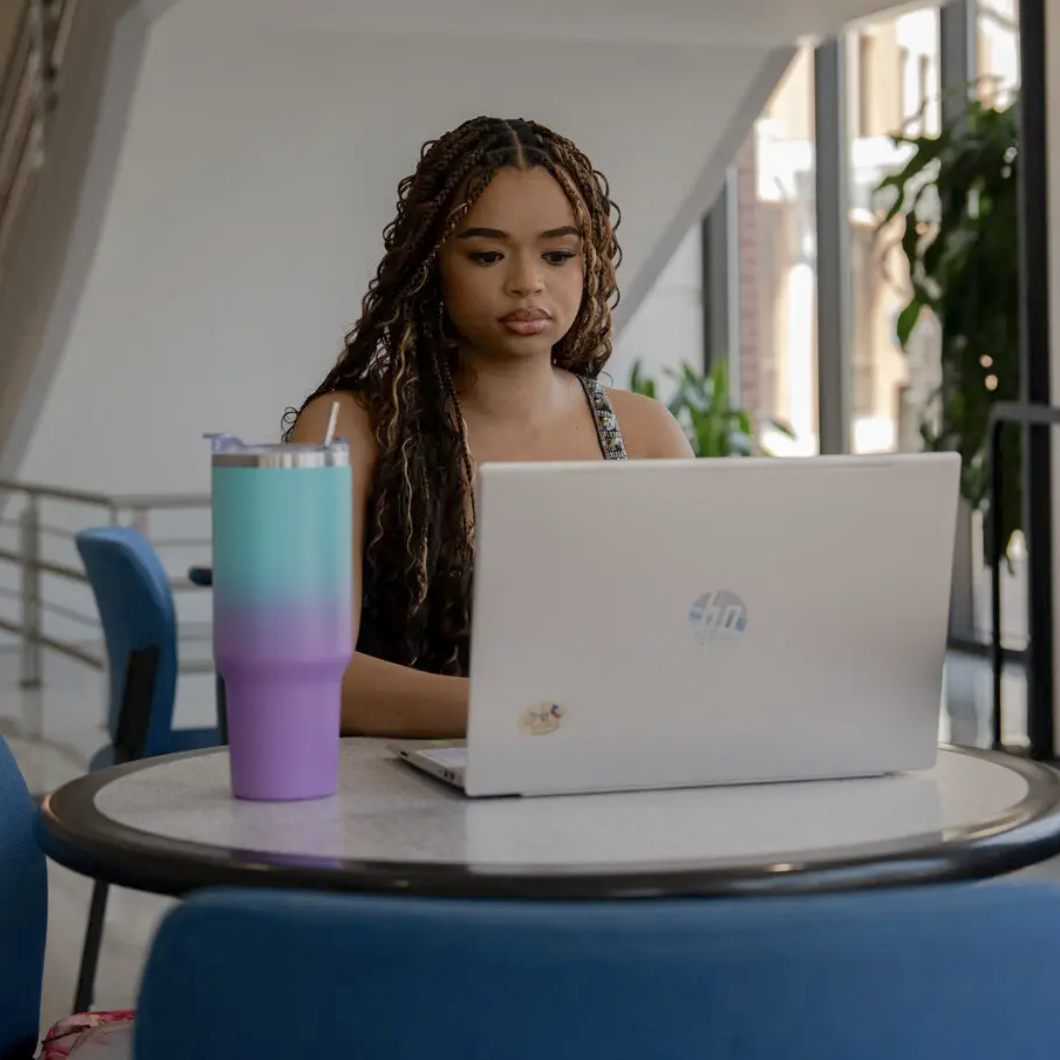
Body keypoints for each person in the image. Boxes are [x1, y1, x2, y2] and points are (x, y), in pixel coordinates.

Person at [286, 116, 694, 739]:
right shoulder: (346, 430)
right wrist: (538, 711)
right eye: (487, 255)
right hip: (392, 789)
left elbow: (695, 644)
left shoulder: (647, 436)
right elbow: (307, 674)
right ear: (431, 265)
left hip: (611, 774)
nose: (527, 282)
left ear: (589, 264)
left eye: (558, 255)